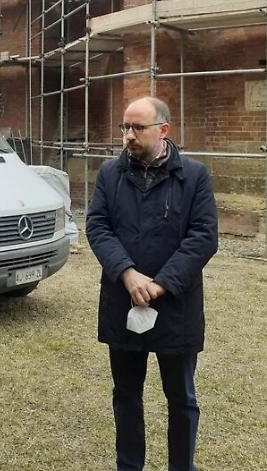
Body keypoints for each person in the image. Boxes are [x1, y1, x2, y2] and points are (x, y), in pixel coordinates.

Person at [86, 96, 218, 471]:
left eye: (138, 127)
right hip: (123, 300)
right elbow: (98, 226)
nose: (129, 135)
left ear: (163, 130)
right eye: (125, 127)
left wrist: (161, 284)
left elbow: (203, 236)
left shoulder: (194, 176)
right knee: (126, 394)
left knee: (182, 398)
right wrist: (127, 273)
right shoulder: (110, 173)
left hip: (176, 305)